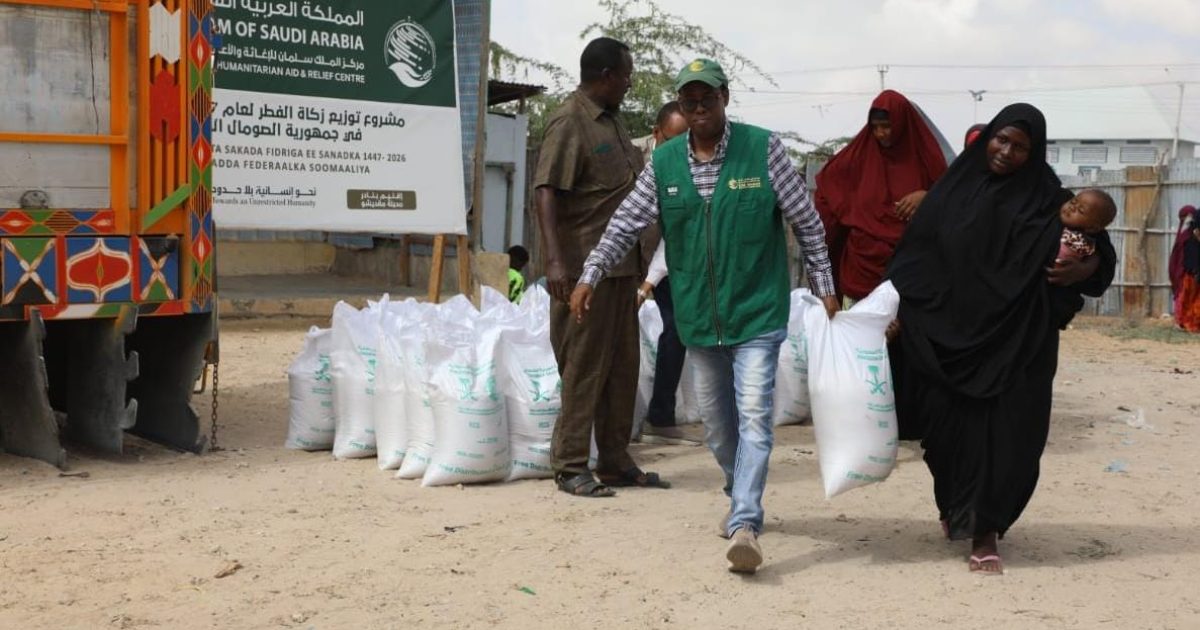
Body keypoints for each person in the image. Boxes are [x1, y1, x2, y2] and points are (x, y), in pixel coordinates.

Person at [570, 58, 839, 573]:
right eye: (689, 102)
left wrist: (825, 285)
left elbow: (808, 223)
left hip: (756, 311)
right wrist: (591, 274)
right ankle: (739, 489)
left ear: (725, 99)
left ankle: (744, 523)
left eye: (707, 100)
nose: (698, 110)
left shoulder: (763, 150)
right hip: (698, 316)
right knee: (718, 428)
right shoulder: (666, 162)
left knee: (756, 416)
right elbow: (627, 220)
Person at [887, 103, 1117, 574]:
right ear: (988, 136)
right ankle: (956, 505)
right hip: (947, 336)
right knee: (945, 435)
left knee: (1009, 438)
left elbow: (1098, 251)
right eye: (1001, 139)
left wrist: (1086, 266)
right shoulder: (952, 192)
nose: (1007, 152)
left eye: (1020, 146)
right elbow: (916, 255)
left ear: (1035, 153)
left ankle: (986, 528)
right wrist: (903, 312)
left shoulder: (1052, 198)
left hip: (1017, 343)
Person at [533, 37, 666, 499]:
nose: (630, 83)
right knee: (584, 367)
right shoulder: (571, 121)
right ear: (606, 75)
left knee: (622, 367)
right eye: (626, 75)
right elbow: (546, 191)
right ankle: (570, 465)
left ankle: (613, 460)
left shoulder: (611, 123)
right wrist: (554, 262)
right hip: (583, 272)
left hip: (622, 270)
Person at [815, 90, 948, 305]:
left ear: (902, 124)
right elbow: (828, 188)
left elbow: (952, 199)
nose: (880, 134)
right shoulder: (859, 157)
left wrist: (927, 197)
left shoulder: (926, 159)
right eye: (875, 127)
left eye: (886, 126)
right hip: (862, 274)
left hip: (911, 276)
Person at [632, 102, 698, 445]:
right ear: (656, 134)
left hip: (668, 258)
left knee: (677, 329)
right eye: (672, 140)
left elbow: (676, 233)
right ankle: (620, 420)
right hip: (627, 257)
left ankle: (660, 415)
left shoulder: (691, 163)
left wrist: (649, 283)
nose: (680, 149)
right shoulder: (631, 158)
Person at [1170, 205, 1200, 331]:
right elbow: (1180, 259)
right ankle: (1187, 322)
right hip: (1190, 272)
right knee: (1188, 297)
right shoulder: (1187, 239)